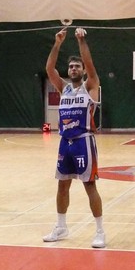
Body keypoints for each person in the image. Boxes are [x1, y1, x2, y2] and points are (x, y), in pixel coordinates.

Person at [43, 27, 106, 248]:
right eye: (70, 66)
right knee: (62, 186)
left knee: (89, 186)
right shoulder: (64, 88)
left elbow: (90, 66)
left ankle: (100, 231)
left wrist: (81, 41)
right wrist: (57, 43)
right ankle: (61, 227)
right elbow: (49, 68)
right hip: (65, 143)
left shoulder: (90, 86)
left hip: (84, 141)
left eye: (76, 66)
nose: (73, 68)